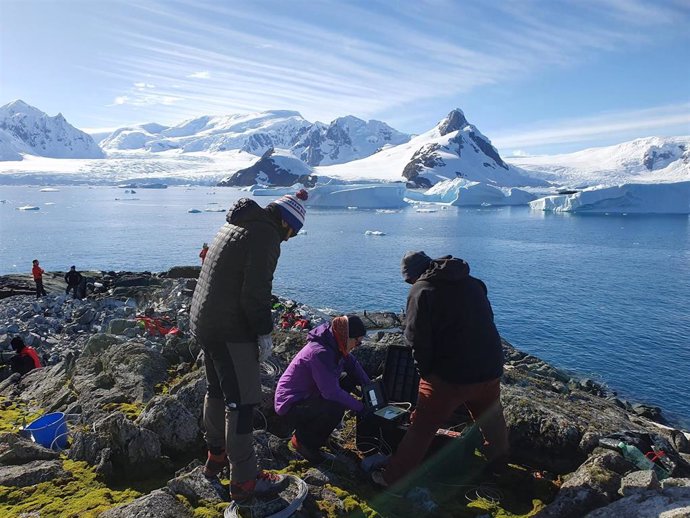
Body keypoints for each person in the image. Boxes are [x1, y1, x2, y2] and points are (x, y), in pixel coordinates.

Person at [189, 189, 308, 502]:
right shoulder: (265, 235)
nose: (288, 240)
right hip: (229, 329)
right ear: (286, 224)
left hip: (205, 321)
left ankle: (216, 455)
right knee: (242, 403)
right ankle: (244, 480)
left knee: (216, 391)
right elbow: (254, 293)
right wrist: (264, 333)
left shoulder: (236, 225)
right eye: (292, 234)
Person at [372, 251, 509, 487]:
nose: (410, 284)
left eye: (408, 280)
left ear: (413, 275)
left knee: (421, 429)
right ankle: (499, 468)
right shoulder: (473, 283)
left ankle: (392, 480)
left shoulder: (421, 290)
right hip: (490, 367)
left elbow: (416, 339)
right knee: (492, 419)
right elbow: (486, 319)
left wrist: (426, 374)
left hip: (450, 375)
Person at [274, 315, 370, 464]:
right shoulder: (321, 352)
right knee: (336, 405)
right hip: (290, 403)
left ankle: (319, 435)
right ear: (347, 337)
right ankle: (303, 442)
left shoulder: (334, 341)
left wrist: (368, 386)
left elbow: (352, 364)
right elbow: (330, 393)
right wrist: (361, 408)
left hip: (309, 395)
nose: (357, 345)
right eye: (357, 342)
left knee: (347, 380)